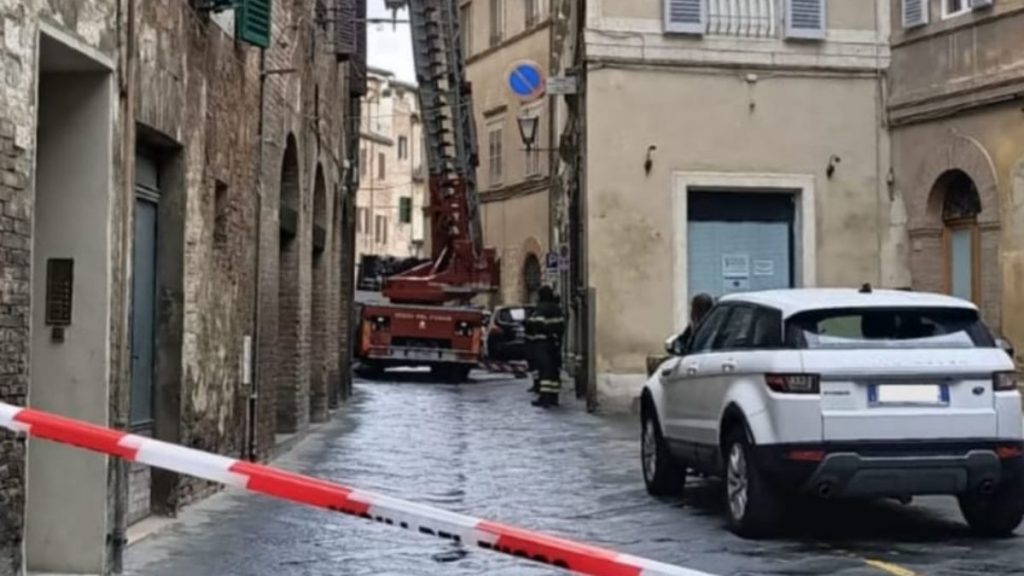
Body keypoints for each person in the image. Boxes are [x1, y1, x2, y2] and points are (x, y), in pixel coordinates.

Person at [525, 286, 566, 407]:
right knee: (554, 370)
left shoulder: (541, 309)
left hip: (542, 344)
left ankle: (545, 397)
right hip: (555, 344)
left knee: (545, 370)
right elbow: (561, 326)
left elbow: (535, 325)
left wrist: (528, 323)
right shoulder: (557, 309)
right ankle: (554, 397)